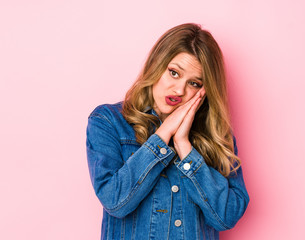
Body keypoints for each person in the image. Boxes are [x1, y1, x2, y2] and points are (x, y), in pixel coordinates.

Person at [86, 23, 249, 240]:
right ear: (156, 65)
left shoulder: (216, 135)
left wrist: (184, 146)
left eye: (193, 83)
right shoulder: (108, 121)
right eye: (174, 73)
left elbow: (226, 216)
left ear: (204, 91)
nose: (180, 90)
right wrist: (163, 136)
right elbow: (115, 202)